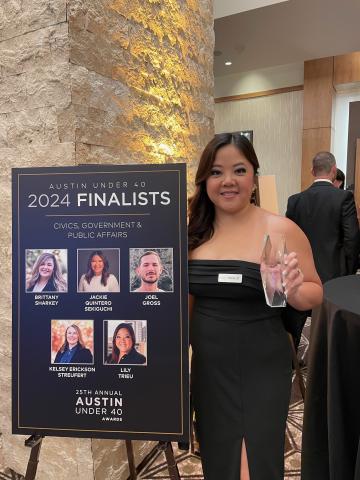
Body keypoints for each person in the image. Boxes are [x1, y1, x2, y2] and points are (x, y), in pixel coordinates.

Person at [188, 133, 322, 480]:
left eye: (239, 170)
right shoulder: (192, 231)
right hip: (209, 367)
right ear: (205, 180)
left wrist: (294, 290)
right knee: (219, 456)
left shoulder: (282, 228)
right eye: (216, 172)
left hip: (263, 362)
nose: (228, 181)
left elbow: (315, 292)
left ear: (254, 176)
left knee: (255, 460)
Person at [286, 152, 360, 284]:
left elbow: (289, 239)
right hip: (335, 276)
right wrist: (350, 271)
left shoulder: (294, 201)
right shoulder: (344, 198)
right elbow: (352, 239)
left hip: (303, 275)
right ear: (334, 170)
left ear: (312, 171)